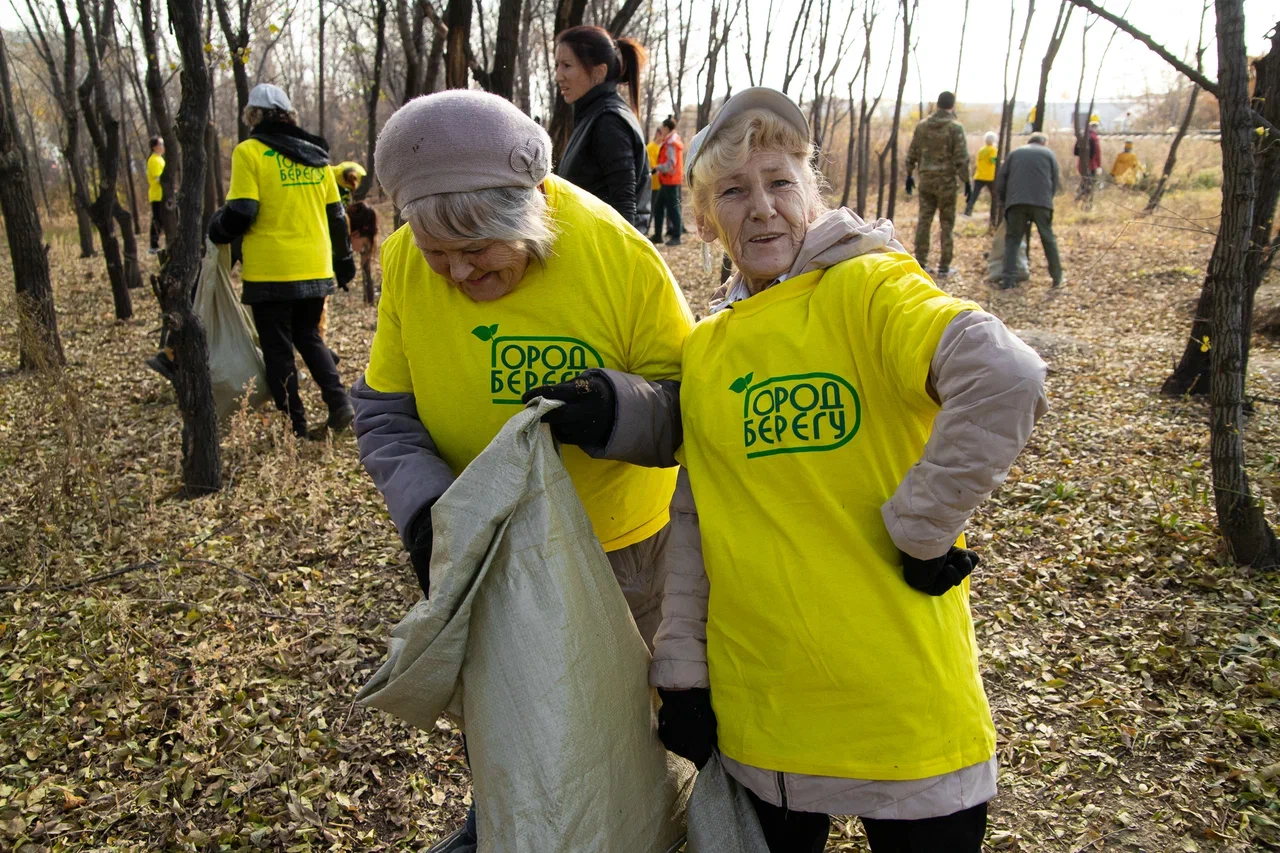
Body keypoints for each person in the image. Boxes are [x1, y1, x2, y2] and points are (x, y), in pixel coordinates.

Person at [535, 87, 1049, 853]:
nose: (763, 208)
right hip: (767, 717)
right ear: (704, 219)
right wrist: (681, 673)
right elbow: (695, 519)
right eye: (733, 192)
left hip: (902, 712)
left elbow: (1004, 374)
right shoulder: (708, 349)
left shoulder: (870, 289)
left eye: (780, 182)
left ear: (812, 192)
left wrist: (922, 527)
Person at [350, 89, 694, 853]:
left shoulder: (617, 256)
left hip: (625, 554)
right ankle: (502, 827)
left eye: (477, 249)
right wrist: (428, 515)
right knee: (506, 718)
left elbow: (694, 408)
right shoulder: (406, 263)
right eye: (437, 252)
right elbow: (384, 411)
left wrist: (618, 410)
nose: (456, 272)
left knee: (622, 729)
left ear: (532, 206)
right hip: (489, 553)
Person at [208, 83, 356, 437]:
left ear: (253, 116)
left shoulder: (249, 152)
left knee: (277, 350)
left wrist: (217, 229)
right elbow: (337, 217)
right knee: (310, 337)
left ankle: (296, 427)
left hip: (271, 271)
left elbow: (242, 211)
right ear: (290, 115)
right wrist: (344, 263)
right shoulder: (317, 157)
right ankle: (340, 404)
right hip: (316, 267)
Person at [553, 25, 651, 230]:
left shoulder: (608, 121)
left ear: (599, 72)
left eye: (567, 65)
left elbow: (625, 210)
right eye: (557, 65)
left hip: (602, 248)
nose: (558, 76)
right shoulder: (592, 116)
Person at [905, 91, 969, 277]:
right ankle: (944, 267)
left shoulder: (922, 126)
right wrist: (967, 181)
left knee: (924, 221)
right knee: (947, 224)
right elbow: (961, 158)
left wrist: (909, 175)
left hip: (926, 181)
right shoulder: (955, 128)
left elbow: (912, 153)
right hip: (947, 183)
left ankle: (920, 263)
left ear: (937, 104)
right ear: (952, 106)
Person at [996, 132, 1063, 290]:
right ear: (1043, 142)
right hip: (1042, 203)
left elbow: (1001, 179)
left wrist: (1005, 201)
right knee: (1048, 239)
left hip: (1016, 202)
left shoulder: (1015, 153)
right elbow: (1055, 180)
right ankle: (1057, 277)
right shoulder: (1049, 154)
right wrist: (1048, 199)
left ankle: (1008, 280)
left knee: (1013, 240)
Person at [651, 116, 684, 246]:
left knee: (673, 209)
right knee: (658, 207)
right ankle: (658, 235)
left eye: (662, 128)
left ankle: (677, 236)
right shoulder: (671, 140)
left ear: (666, 128)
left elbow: (671, 164)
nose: (661, 130)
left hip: (671, 180)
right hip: (667, 180)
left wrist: (658, 168)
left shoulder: (671, 143)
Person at [964, 131, 998, 216]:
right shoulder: (993, 150)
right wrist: (999, 160)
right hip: (990, 176)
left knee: (974, 195)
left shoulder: (981, 150)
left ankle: (968, 211)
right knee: (995, 196)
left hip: (979, 175)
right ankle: (995, 213)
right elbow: (992, 160)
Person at [146, 136, 165, 255]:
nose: (163, 146)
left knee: (163, 219)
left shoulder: (160, 159)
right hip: (157, 194)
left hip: (163, 194)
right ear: (155, 147)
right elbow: (159, 178)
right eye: (161, 144)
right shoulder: (154, 160)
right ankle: (153, 245)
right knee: (157, 219)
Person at [646, 128, 662, 237]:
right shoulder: (650, 147)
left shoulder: (663, 147)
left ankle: (658, 231)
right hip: (653, 184)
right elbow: (651, 165)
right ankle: (646, 228)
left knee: (659, 209)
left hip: (662, 184)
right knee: (651, 207)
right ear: (657, 134)